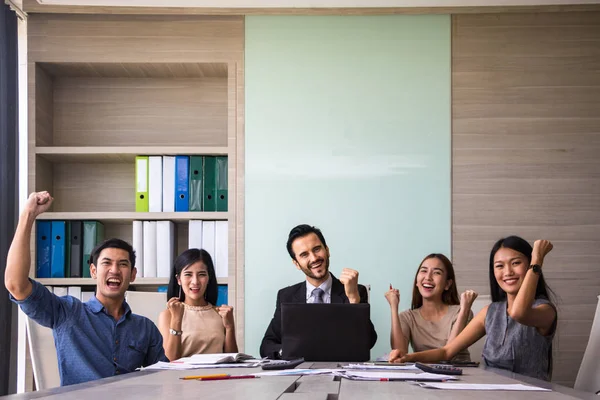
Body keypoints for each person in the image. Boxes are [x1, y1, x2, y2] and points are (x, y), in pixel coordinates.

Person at [5, 191, 168, 386]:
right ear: (93, 271)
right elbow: (16, 284)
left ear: (133, 274)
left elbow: (162, 380)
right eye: (106, 263)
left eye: (123, 264)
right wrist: (28, 214)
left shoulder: (145, 328)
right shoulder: (68, 312)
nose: (114, 270)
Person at [389, 236, 557, 381]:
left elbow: (519, 313)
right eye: (499, 266)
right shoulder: (490, 312)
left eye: (516, 263)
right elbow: (447, 352)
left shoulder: (545, 311)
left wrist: (536, 262)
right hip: (490, 392)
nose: (507, 272)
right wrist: (408, 357)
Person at [260, 224, 377, 358]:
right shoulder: (286, 296)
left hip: (339, 372)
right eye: (304, 255)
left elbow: (368, 342)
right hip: (301, 373)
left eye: (317, 249)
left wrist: (353, 300)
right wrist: (287, 352)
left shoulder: (355, 290)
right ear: (296, 263)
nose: (314, 258)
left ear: (327, 250)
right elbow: (267, 345)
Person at [385, 253, 477, 362]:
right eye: (423, 271)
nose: (428, 277)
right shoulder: (407, 317)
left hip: (462, 374)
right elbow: (399, 353)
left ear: (447, 284)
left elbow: (449, 354)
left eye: (436, 272)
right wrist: (394, 308)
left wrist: (464, 310)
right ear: (416, 281)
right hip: (423, 375)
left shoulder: (461, 312)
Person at [158, 248, 238, 361]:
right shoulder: (168, 315)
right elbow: (170, 361)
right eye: (188, 274)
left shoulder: (221, 313)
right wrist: (176, 319)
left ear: (209, 277)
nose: (195, 281)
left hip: (217, 376)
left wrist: (230, 327)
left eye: (201, 274)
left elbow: (232, 361)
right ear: (178, 279)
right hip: (182, 377)